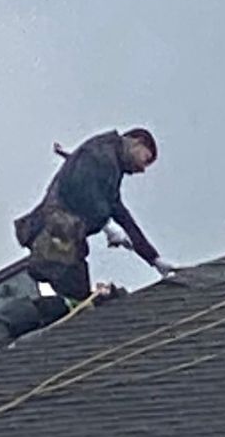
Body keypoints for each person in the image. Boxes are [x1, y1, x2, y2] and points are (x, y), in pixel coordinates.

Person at [12, 128, 165, 306]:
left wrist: (153, 258)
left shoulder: (111, 162)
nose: (142, 169)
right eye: (145, 160)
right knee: (73, 294)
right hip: (58, 232)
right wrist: (108, 225)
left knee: (76, 292)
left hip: (64, 234)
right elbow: (81, 190)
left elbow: (119, 212)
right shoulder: (101, 155)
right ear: (137, 142)